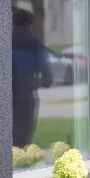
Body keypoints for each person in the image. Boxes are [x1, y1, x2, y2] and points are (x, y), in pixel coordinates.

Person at [12, 8, 53, 148]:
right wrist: (46, 81)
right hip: (26, 94)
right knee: (23, 132)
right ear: (29, 24)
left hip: (5, 95)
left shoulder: (3, 40)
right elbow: (45, 69)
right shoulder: (34, 43)